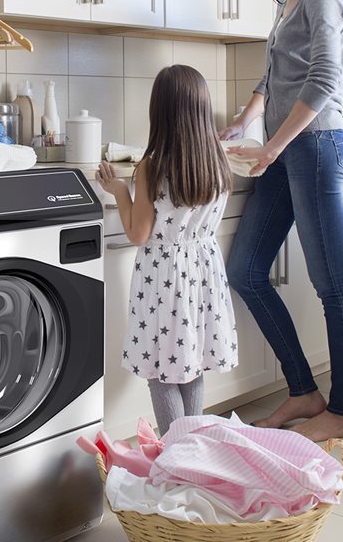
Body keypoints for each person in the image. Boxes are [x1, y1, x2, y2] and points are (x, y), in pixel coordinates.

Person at [221, 0, 343, 441]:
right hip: (283, 151)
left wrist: (273, 147)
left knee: (332, 286)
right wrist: (242, 125)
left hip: (316, 146)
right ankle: (304, 391)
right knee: (247, 270)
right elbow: (273, 76)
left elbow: (325, 79)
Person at [96, 64, 238, 435]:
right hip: (202, 275)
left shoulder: (152, 168)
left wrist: (121, 192)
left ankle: (179, 458)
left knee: (161, 372)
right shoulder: (218, 162)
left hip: (163, 281)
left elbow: (138, 233)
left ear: (159, 112)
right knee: (191, 367)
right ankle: (195, 452)